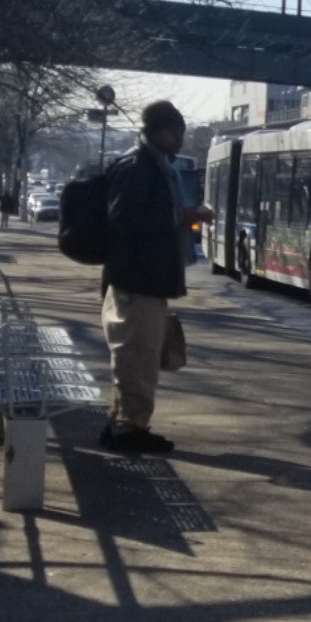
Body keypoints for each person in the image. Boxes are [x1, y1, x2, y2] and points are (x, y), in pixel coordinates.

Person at [99, 100, 212, 453]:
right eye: (176, 132)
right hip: (137, 279)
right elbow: (125, 220)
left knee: (139, 357)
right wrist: (184, 215)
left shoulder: (151, 165)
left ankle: (123, 423)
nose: (180, 140)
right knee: (138, 357)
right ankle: (129, 429)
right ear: (161, 131)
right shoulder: (140, 167)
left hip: (143, 278)